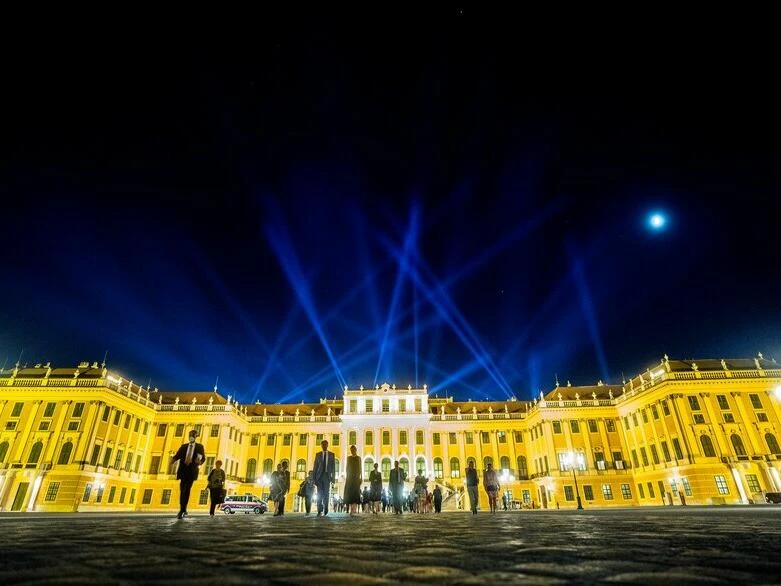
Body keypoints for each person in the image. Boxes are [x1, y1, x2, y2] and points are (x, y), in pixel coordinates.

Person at [171, 429, 205, 519]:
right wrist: (173, 460)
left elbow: (203, 458)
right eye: (190, 436)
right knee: (182, 490)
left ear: (195, 437)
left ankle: (184, 508)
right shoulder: (184, 446)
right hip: (183, 470)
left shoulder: (199, 447)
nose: (191, 437)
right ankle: (182, 509)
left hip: (192, 471)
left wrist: (200, 462)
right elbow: (177, 455)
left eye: (193, 436)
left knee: (187, 490)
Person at [312, 439, 335, 516]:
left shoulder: (332, 454)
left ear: (327, 445)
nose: (324, 446)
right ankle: (319, 509)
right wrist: (314, 478)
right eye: (323, 445)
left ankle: (326, 508)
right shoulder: (318, 454)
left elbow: (333, 467)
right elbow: (315, 467)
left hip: (327, 476)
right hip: (319, 476)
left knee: (326, 493)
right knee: (319, 493)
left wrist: (333, 478)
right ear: (321, 446)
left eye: (325, 444)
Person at [343, 444, 362, 515]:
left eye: (353, 450)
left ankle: (354, 509)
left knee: (356, 493)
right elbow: (347, 468)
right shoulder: (348, 458)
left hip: (356, 478)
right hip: (349, 478)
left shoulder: (358, 458)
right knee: (350, 493)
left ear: (356, 450)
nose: (352, 451)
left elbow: (360, 468)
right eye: (351, 450)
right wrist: (347, 476)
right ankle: (351, 509)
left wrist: (360, 477)